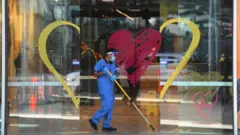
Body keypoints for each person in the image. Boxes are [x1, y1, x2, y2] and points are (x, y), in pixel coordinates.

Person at [89, 49, 118, 132]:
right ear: (108, 55)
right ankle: (94, 119)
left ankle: (106, 125)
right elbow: (94, 74)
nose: (115, 56)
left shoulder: (112, 63)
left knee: (110, 106)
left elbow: (115, 72)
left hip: (111, 87)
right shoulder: (100, 63)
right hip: (104, 87)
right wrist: (103, 72)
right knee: (107, 106)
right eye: (114, 54)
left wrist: (115, 76)